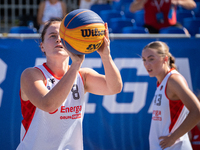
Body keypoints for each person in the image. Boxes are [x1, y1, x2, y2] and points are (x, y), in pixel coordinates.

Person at [16, 18, 122, 150]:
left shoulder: (83, 75)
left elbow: (115, 87)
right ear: (42, 45)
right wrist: (76, 65)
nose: (59, 39)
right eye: (52, 35)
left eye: (63, 36)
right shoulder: (31, 75)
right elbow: (48, 105)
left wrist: (106, 56)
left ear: (72, 42)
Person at [141, 41, 200, 150]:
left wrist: (173, 137)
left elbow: (197, 110)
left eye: (151, 59)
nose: (146, 64)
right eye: (144, 60)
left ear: (165, 59)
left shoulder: (173, 80)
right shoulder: (161, 82)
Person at [129, 0, 196, 34]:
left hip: (171, 26)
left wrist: (179, 2)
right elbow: (132, 8)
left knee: (184, 32)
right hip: (150, 27)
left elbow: (192, 4)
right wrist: (143, 1)